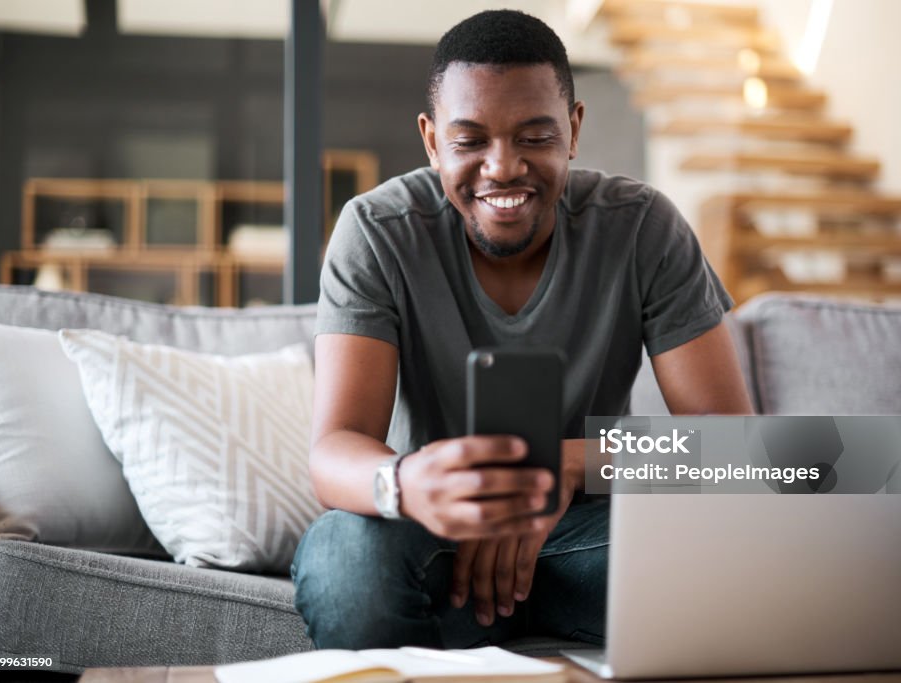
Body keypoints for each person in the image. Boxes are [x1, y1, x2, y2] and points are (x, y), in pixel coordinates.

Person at [291, 9, 753, 649]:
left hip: (587, 539)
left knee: (748, 543)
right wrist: (407, 483)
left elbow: (734, 450)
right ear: (431, 141)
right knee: (343, 556)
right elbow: (334, 449)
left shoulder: (644, 227)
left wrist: (567, 465)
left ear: (574, 130)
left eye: (534, 137)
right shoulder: (376, 231)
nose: (502, 167)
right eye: (469, 141)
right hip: (438, 538)